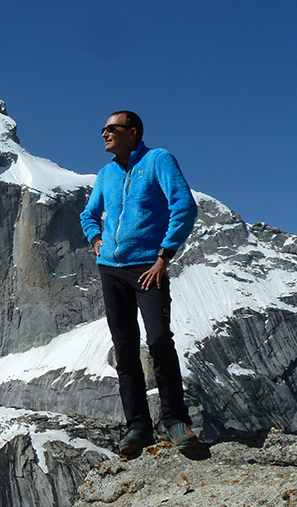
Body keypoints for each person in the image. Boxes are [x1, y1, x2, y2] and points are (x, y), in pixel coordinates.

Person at [80, 110, 200, 455]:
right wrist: (96, 238)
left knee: (160, 339)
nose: (104, 134)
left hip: (148, 266)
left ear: (132, 132)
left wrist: (164, 256)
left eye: (111, 128)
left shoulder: (158, 160)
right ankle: (138, 427)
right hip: (111, 269)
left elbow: (184, 206)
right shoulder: (106, 173)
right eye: (102, 129)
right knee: (125, 348)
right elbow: (89, 213)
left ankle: (176, 421)